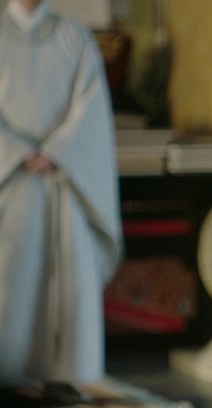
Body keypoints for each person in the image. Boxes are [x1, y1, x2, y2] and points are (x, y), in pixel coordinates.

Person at [0, 0, 122, 385]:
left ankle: (68, 380)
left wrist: (58, 151)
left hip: (65, 181)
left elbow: (91, 106)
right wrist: (17, 151)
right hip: (10, 183)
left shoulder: (75, 36)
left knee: (70, 286)